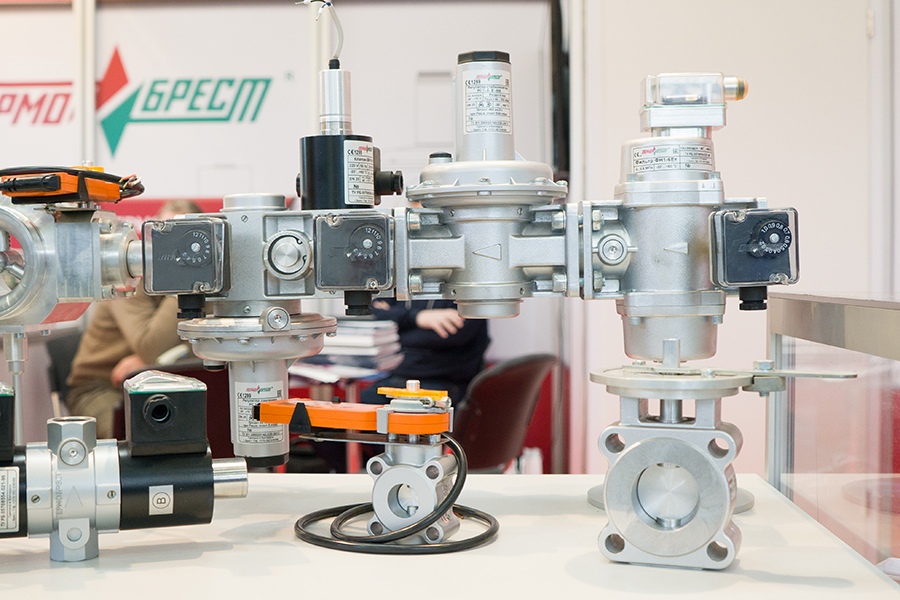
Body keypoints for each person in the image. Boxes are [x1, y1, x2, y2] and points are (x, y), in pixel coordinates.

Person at [65, 200, 202, 437]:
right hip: (103, 388)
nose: (174, 250)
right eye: (166, 236)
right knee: (142, 437)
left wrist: (153, 364)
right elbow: (150, 347)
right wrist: (184, 285)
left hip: (165, 382)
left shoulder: (206, 285)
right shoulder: (129, 276)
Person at [359, 298, 490, 407]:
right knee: (357, 413)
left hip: (445, 383)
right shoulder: (400, 282)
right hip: (396, 379)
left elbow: (454, 334)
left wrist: (396, 327)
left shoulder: (466, 287)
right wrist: (418, 317)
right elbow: (371, 315)